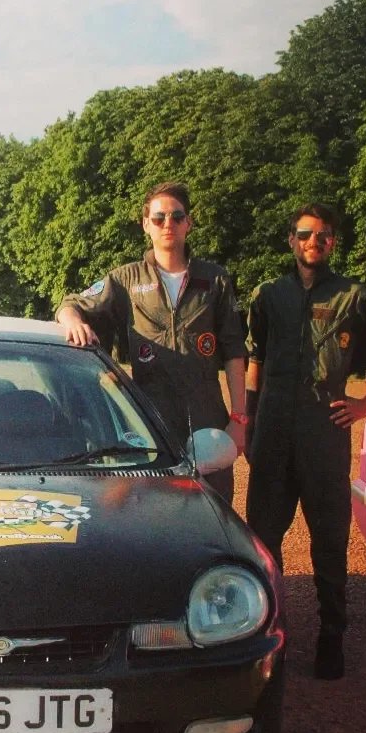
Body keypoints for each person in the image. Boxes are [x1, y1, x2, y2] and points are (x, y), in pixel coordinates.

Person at [245, 203, 366, 680]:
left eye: (324, 235)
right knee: (262, 540)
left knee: (328, 541)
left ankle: (331, 636)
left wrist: (364, 407)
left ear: (333, 243)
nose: (314, 242)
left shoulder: (355, 296)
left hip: (324, 437)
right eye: (305, 234)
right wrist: (249, 419)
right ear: (291, 239)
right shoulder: (269, 295)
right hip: (273, 435)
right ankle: (268, 633)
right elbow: (255, 357)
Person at [55, 181, 247, 501]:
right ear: (146, 225)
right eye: (158, 218)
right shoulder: (126, 279)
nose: (167, 224)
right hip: (150, 422)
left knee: (214, 511)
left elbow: (234, 350)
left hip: (207, 419)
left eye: (176, 216)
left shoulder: (215, 279)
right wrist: (73, 320)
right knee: (155, 511)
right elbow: (70, 304)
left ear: (188, 223)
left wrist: (239, 419)